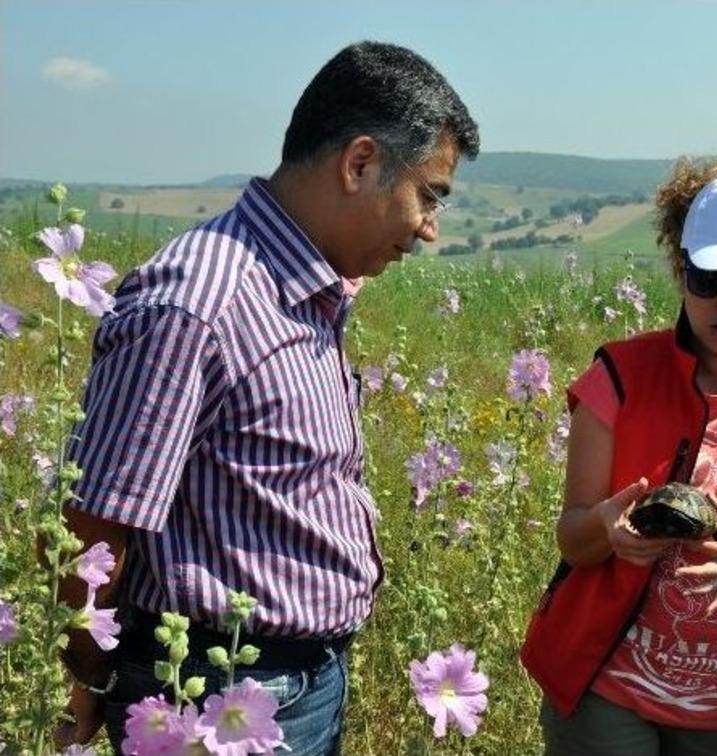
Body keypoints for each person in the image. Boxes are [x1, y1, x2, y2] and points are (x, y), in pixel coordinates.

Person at [54, 41, 479, 753]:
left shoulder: (306, 289)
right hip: (211, 696)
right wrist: (95, 680)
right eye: (429, 194)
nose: (429, 228)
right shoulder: (200, 303)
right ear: (360, 163)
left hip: (297, 680)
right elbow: (89, 531)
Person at [521, 157, 717, 756]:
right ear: (681, 269)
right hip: (605, 684)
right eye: (709, 279)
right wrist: (607, 530)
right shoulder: (616, 376)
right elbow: (573, 539)